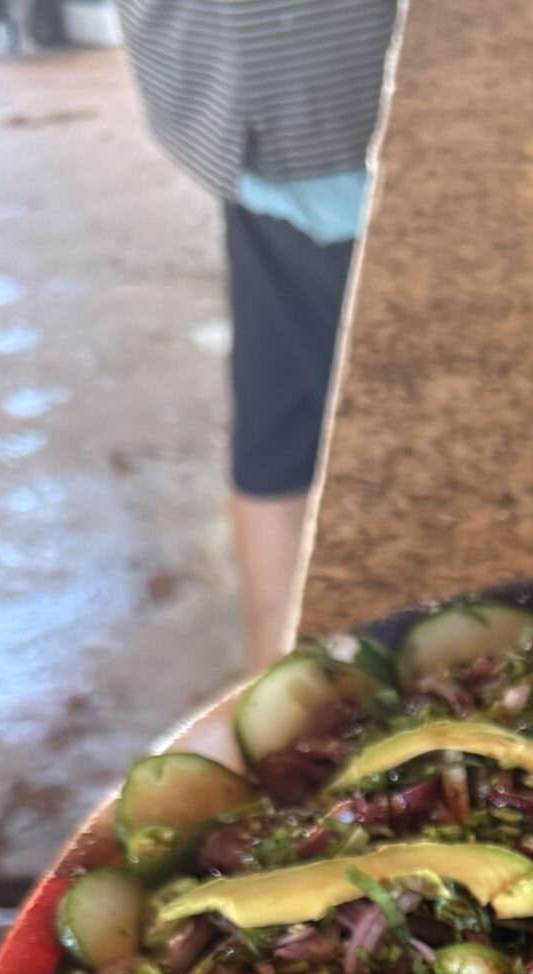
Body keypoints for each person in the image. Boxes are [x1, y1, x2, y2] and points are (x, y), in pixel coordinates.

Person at [119, 0, 398, 666]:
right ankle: (279, 694)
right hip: (315, 102)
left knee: (284, 415)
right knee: (384, 442)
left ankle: (271, 695)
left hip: (259, 96)